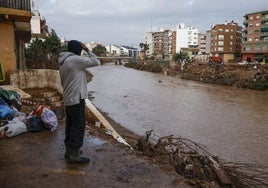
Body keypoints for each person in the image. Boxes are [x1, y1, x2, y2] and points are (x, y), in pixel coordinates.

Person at [58, 40, 100, 164]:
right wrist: (88, 49)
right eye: (80, 49)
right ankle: (74, 155)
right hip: (76, 98)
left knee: (70, 125)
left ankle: (69, 151)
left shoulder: (64, 61)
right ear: (77, 49)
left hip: (68, 98)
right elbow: (96, 62)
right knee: (78, 126)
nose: (81, 51)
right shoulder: (75, 60)